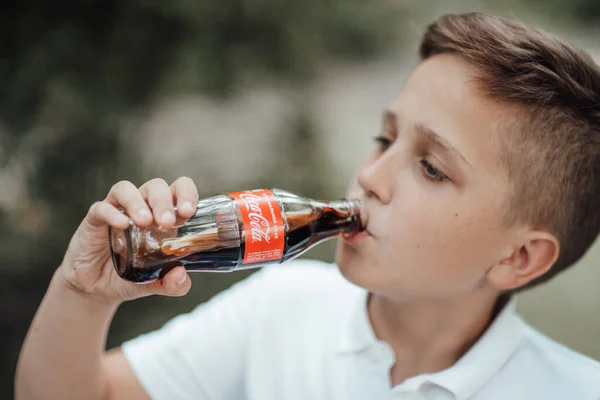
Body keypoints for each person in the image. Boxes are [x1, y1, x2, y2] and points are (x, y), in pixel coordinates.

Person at [15, 12, 600, 400]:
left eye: (431, 167)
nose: (370, 177)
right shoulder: (285, 307)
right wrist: (83, 295)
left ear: (519, 257)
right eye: (384, 138)